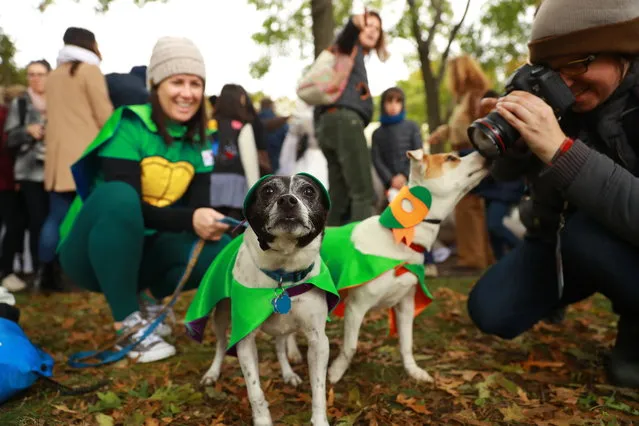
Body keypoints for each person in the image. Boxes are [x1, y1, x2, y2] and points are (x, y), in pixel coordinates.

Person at [467, 0, 639, 388]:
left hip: (605, 242)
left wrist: (562, 152)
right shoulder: (557, 99)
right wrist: (513, 145)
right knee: (491, 309)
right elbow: (511, 177)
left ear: (622, 48)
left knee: (585, 237)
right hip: (561, 239)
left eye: (578, 63)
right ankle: (569, 290)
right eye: (552, 70)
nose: (566, 83)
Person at [57, 36, 231, 363]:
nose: (187, 92)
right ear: (155, 84)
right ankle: (128, 322)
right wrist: (190, 218)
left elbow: (195, 210)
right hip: (90, 253)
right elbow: (128, 206)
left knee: (219, 249)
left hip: (145, 254)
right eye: (176, 81)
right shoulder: (129, 124)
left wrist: (207, 221)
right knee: (119, 197)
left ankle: (147, 299)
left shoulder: (202, 141)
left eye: (195, 83)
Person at [41, 27, 113, 291]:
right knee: (89, 218)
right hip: (85, 156)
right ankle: (84, 274)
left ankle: (47, 274)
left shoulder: (53, 76)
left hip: (56, 158)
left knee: (55, 217)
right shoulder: (88, 71)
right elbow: (104, 116)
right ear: (90, 43)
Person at [315, 10, 389, 226]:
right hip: (345, 122)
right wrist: (353, 24)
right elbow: (345, 39)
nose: (373, 31)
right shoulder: (349, 48)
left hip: (328, 125)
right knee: (363, 192)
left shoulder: (353, 58)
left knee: (339, 196)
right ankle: (361, 250)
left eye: (377, 29)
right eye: (369, 26)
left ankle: (327, 247)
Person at [429, 55, 495, 273]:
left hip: (470, 154)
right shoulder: (464, 98)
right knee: (467, 208)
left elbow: (481, 127)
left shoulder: (476, 96)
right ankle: (476, 257)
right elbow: (459, 126)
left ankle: (473, 260)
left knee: (470, 208)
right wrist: (443, 132)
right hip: (463, 154)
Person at [4, 60, 52, 291]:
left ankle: (55, 272)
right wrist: (26, 132)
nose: (35, 79)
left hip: (55, 171)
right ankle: (39, 274)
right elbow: (9, 139)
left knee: (55, 221)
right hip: (29, 172)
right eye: (31, 74)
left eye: (40, 74)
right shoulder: (20, 103)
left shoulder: (59, 101)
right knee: (37, 222)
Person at [371, 87, 423, 200]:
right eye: (389, 101)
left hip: (412, 181)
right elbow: (377, 159)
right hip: (388, 185)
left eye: (398, 101)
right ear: (383, 104)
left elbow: (418, 153)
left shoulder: (412, 127)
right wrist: (390, 179)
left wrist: (404, 175)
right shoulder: (377, 133)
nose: (393, 105)